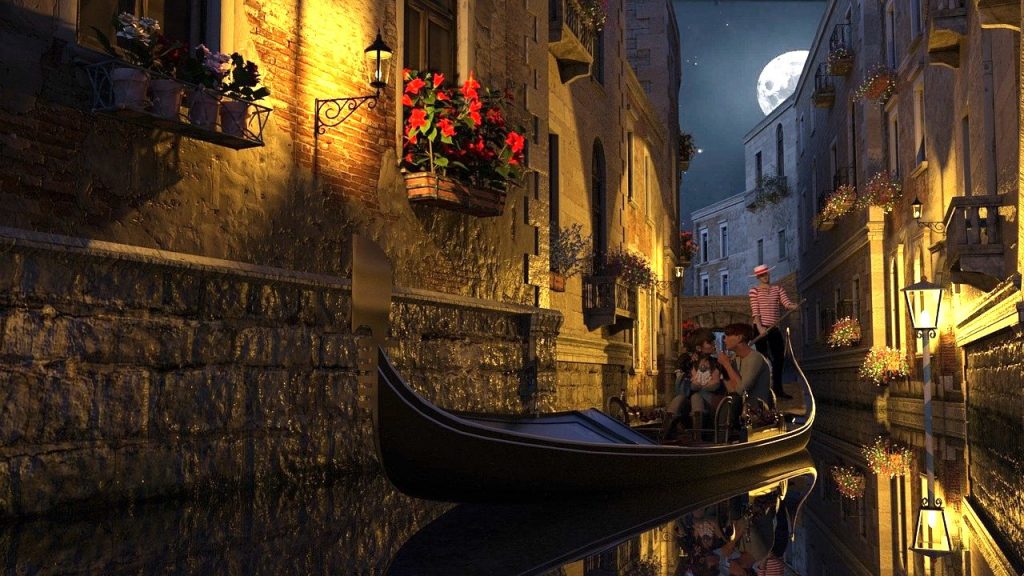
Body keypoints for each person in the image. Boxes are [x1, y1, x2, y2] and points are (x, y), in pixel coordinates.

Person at [747, 265, 799, 400]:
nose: (766, 276)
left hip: (774, 327)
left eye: (767, 274)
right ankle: (763, 389)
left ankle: (778, 389)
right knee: (763, 359)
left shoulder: (778, 289)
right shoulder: (754, 291)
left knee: (779, 359)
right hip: (761, 327)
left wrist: (792, 306)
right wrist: (759, 328)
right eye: (763, 275)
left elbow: (786, 303)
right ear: (758, 277)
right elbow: (755, 311)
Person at [716, 323, 773, 408]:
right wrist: (724, 369)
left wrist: (727, 364)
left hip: (755, 410)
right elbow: (731, 390)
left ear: (739, 338)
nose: (725, 340)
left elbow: (741, 391)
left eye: (728, 336)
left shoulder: (755, 358)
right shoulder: (735, 358)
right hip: (739, 408)